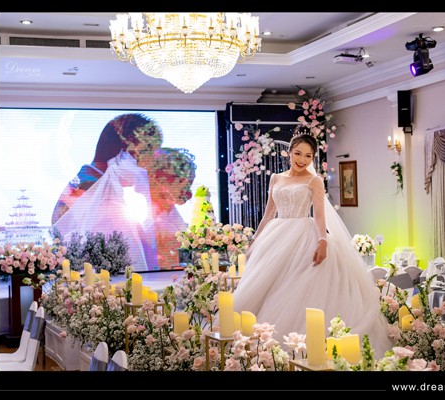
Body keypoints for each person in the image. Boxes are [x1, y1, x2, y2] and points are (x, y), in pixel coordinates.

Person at [232, 133, 393, 358]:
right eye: (298, 153)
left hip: (303, 235)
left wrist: (322, 240)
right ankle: (258, 343)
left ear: (313, 158)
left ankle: (296, 345)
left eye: (308, 156)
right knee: (268, 284)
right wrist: (255, 240)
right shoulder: (276, 178)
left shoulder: (313, 180)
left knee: (298, 285)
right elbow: (268, 214)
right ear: (289, 152)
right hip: (276, 236)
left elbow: (319, 215)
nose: (302, 159)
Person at [51, 113, 163, 225]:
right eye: (149, 154)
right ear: (128, 151)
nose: (148, 166)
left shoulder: (88, 184)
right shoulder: (93, 192)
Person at [145, 147, 197, 269]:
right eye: (181, 182)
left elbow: (185, 258)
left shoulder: (174, 216)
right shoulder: (144, 213)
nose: (186, 189)